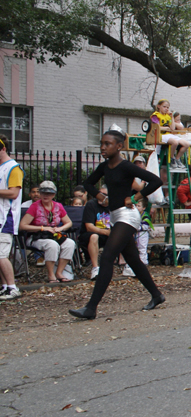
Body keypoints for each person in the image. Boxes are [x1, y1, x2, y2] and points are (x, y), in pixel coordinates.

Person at [69, 127, 165, 319]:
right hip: (115, 215)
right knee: (132, 259)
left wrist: (135, 196)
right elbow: (88, 184)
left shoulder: (126, 166)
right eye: (102, 143)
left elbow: (155, 181)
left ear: (119, 146)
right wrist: (100, 196)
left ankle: (91, 308)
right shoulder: (105, 167)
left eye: (108, 144)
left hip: (127, 216)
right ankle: (156, 295)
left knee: (107, 257)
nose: (102, 147)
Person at [19, 180, 77, 283]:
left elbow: (69, 222)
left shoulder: (58, 206)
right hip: (37, 237)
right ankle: (51, 275)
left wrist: (60, 228)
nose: (46, 195)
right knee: (52, 245)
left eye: (49, 193)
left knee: (70, 243)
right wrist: (42, 228)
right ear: (40, 193)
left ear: (54, 194)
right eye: (43, 193)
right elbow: (22, 226)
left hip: (53, 235)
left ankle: (59, 272)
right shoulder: (34, 206)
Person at [0, 134, 23, 300]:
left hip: (5, 218)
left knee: (1, 255)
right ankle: (5, 286)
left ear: (3, 148)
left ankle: (12, 287)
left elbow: (13, 193)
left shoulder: (13, 168)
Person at [79, 186, 110, 280]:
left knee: (123, 235)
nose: (100, 196)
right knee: (94, 236)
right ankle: (95, 268)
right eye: (99, 193)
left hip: (108, 234)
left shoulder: (114, 206)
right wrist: (105, 232)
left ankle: (125, 265)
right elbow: (89, 227)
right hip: (89, 235)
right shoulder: (91, 204)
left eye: (104, 195)